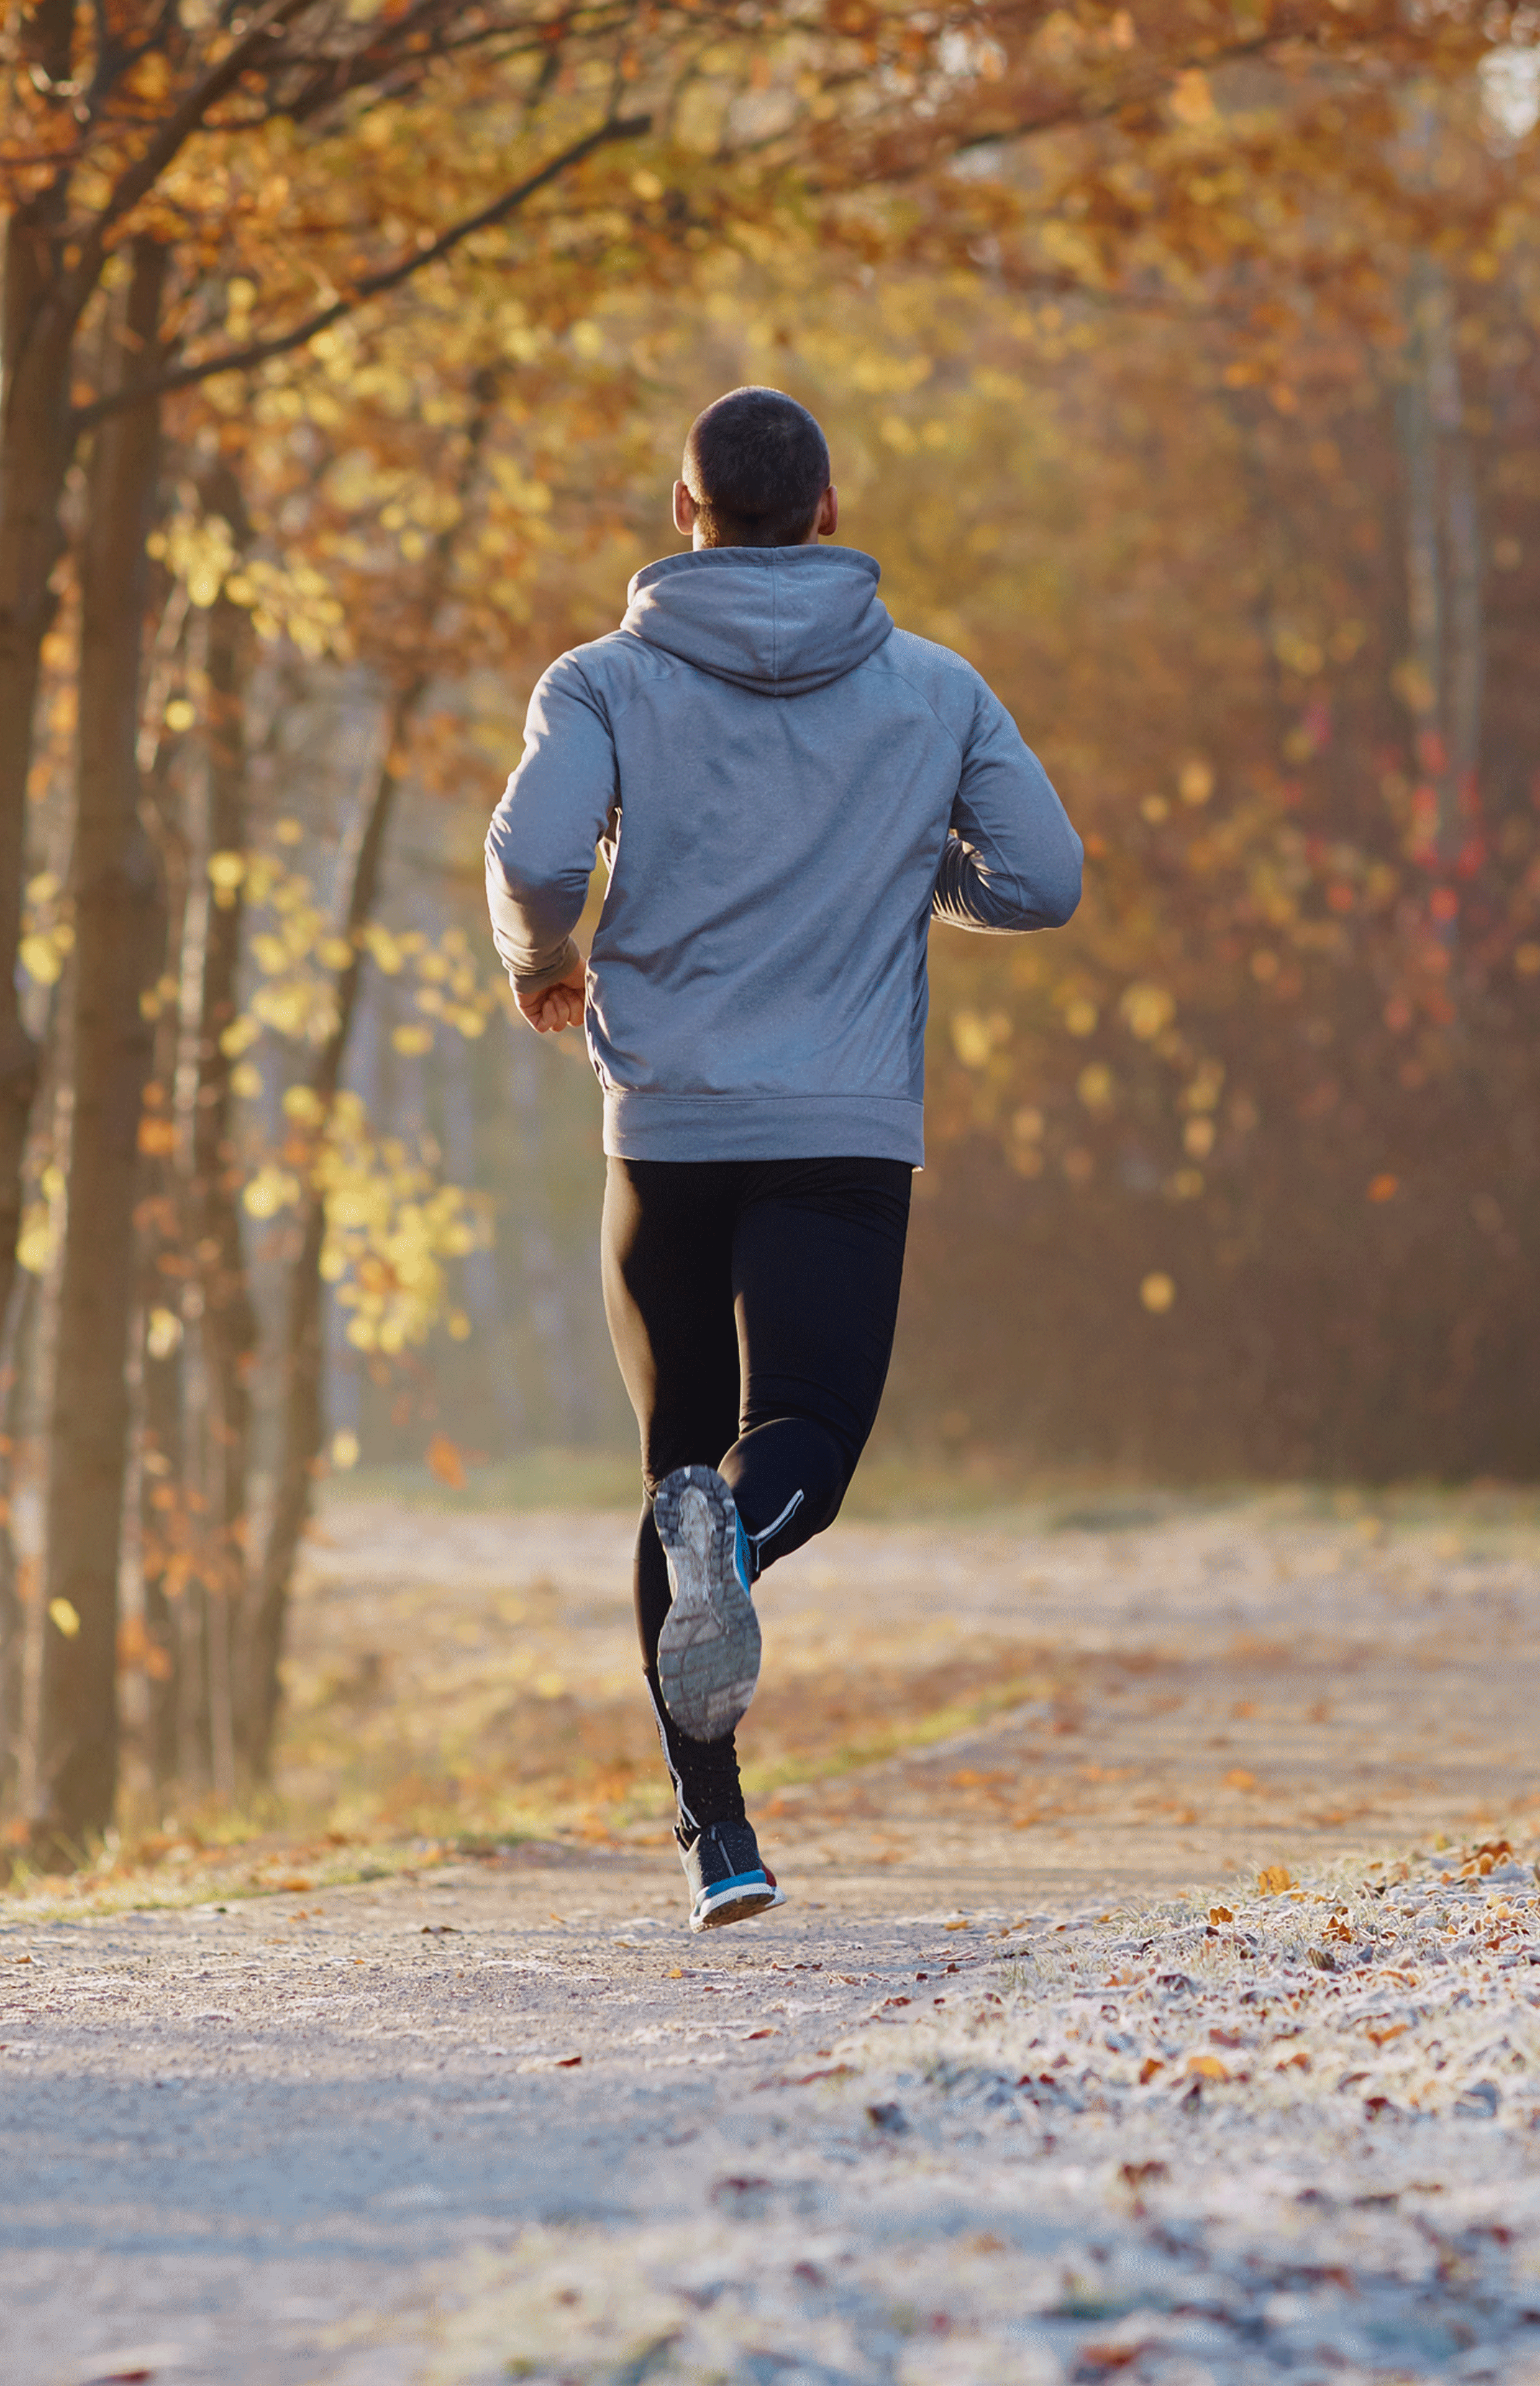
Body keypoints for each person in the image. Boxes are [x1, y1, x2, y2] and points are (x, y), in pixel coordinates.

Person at [484, 386, 1083, 1931]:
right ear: (827, 512)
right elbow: (1046, 878)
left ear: (685, 516)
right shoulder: (935, 692)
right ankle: (736, 1542)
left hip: (667, 1125)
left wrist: (543, 960)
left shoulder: (601, 681)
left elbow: (537, 855)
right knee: (799, 1428)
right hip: (839, 1128)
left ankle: (718, 1835)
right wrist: (916, 869)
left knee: (678, 1457)